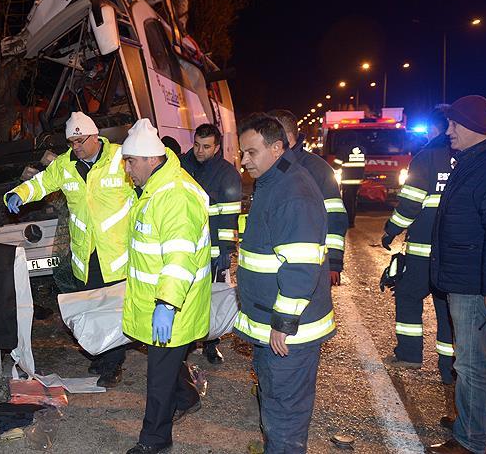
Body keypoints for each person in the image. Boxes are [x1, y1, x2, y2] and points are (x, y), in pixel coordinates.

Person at [4, 111, 135, 388]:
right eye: (71, 143)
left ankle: (113, 365)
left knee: (113, 309)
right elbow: (41, 183)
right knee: (91, 307)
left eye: (80, 141)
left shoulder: (121, 159)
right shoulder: (65, 165)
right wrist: (18, 194)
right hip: (85, 252)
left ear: (95, 136)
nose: (75, 147)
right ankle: (102, 352)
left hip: (117, 252)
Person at [233, 114, 335, 453]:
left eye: (251, 152)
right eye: (241, 153)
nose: (244, 161)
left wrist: (284, 323)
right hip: (273, 327)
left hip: (289, 333)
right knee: (274, 405)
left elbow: (301, 267)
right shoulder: (276, 183)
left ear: (277, 148)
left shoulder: (293, 192)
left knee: (285, 415)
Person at [428, 95, 486, 454]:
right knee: (464, 360)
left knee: (471, 365)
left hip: (476, 286)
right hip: (462, 280)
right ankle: (471, 419)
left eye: (454, 125)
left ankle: (471, 441)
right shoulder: (471, 161)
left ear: (472, 127)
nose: (448, 130)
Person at [121, 118, 211, 454]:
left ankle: (155, 440)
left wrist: (167, 304)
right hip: (162, 302)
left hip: (175, 306)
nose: (127, 169)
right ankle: (187, 397)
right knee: (166, 363)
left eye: (130, 161)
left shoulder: (173, 195)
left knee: (157, 376)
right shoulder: (156, 189)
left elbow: (179, 256)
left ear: (148, 159)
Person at [380, 107, 457, 421]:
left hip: (424, 252)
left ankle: (410, 354)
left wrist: (391, 230)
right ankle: (450, 370)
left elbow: (410, 204)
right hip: (454, 255)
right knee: (447, 311)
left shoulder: (425, 159)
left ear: (435, 129)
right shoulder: (467, 159)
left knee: (409, 298)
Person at [179, 123, 242, 364]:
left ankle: (210, 344)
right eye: (196, 145)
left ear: (216, 148)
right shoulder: (182, 167)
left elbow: (229, 216)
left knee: (211, 299)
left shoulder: (227, 174)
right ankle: (184, 344)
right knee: (184, 297)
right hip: (185, 246)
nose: (200, 151)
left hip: (214, 250)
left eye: (206, 147)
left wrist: (225, 250)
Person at [270, 110, 349, 286]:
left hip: (309, 266)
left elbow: (335, 216)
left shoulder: (317, 169)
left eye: (270, 135)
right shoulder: (270, 167)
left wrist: (333, 262)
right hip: (274, 263)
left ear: (287, 137)